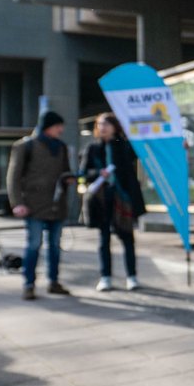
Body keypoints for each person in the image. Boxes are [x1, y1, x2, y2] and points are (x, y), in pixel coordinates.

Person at [7, 110, 75, 300]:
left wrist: (69, 179)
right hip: (33, 205)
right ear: (48, 126)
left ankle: (53, 282)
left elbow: (65, 171)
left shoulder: (61, 147)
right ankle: (28, 284)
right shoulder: (25, 146)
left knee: (55, 246)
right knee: (34, 245)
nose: (61, 130)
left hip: (57, 205)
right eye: (58, 126)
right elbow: (13, 177)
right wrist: (17, 203)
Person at [80, 112, 146, 291]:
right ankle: (105, 277)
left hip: (122, 199)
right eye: (100, 124)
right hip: (101, 199)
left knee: (127, 238)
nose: (102, 127)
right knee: (104, 240)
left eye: (106, 124)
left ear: (115, 127)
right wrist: (97, 173)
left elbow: (146, 153)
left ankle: (132, 276)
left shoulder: (123, 145)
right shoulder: (93, 147)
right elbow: (83, 173)